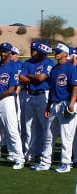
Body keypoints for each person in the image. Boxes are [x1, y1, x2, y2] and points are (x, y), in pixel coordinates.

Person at [32, 42, 77, 173]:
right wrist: (47, 106)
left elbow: (75, 87)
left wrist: (72, 104)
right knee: (49, 135)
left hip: (66, 104)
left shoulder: (71, 68)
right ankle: (45, 162)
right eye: (55, 51)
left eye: (58, 51)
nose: (55, 53)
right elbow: (51, 89)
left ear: (65, 54)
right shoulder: (55, 69)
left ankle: (66, 163)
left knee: (66, 136)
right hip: (54, 105)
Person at [20, 42, 54, 162]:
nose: (39, 53)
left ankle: (45, 153)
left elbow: (42, 78)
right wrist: (33, 77)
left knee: (45, 127)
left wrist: (29, 76)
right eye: (37, 51)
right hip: (30, 96)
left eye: (43, 53)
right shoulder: (28, 62)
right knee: (29, 126)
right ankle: (30, 153)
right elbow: (21, 77)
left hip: (43, 95)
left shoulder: (49, 62)